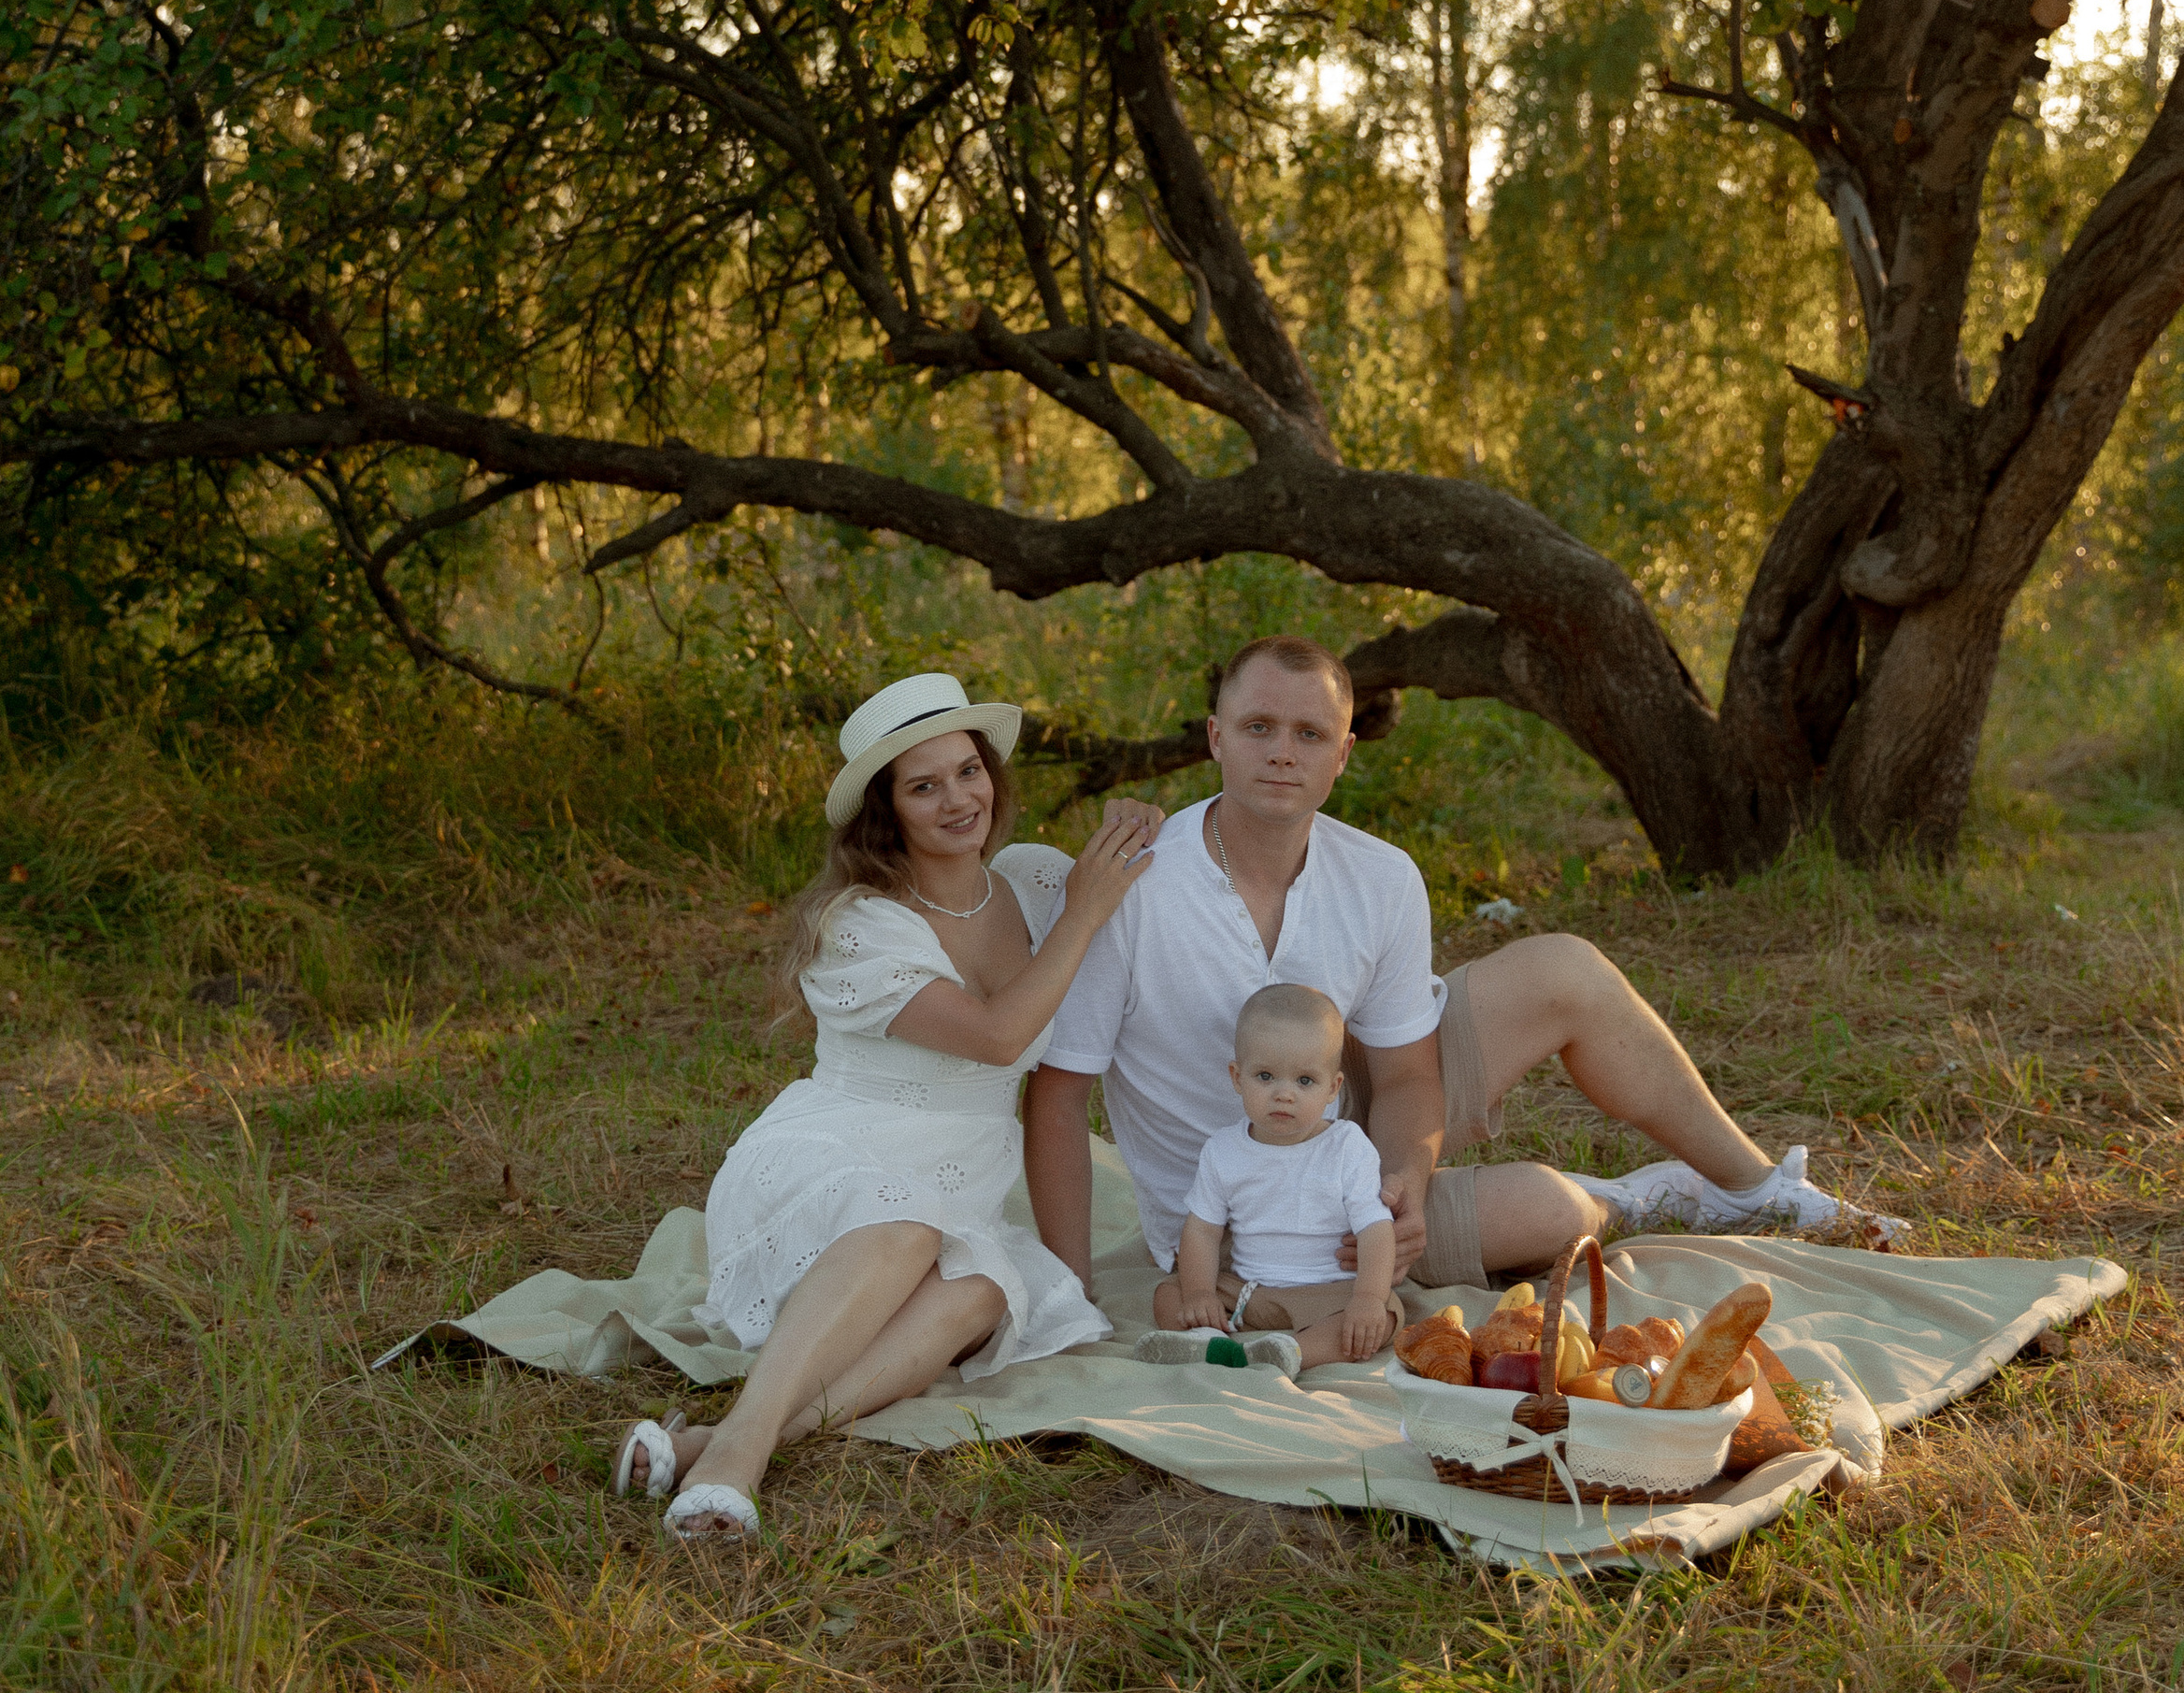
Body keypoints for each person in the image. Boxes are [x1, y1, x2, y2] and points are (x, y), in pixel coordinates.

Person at [1027, 635, 1902, 1317]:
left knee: (1567, 968)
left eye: (1309, 733)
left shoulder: (1380, 875)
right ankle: (1633, 1198)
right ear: (1216, 738)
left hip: (1349, 1141)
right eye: (1258, 727)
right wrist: (1069, 1297)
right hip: (1249, 1225)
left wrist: (1403, 1175)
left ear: (1344, 755)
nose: (1282, 753)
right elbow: (1060, 1096)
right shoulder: (1134, 881)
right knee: (1554, 1217)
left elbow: (1407, 1077)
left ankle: (1760, 1192)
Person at [612, 672, 1162, 1542]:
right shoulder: (860, 924)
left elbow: (1149, 880)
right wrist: (1085, 916)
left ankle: (725, 1437)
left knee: (988, 1287)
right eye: (924, 785)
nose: (958, 800)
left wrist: (1133, 822)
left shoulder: (1034, 883)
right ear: (887, 811)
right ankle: (736, 1466)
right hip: (829, 1160)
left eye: (968, 771)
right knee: (906, 1223)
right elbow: (994, 1035)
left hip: (956, 1181)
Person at [1132, 983, 1401, 1377]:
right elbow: (1203, 1232)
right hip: (1246, 1292)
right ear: (1237, 1078)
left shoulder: (1346, 1146)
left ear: (1333, 1087)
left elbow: (1376, 1230)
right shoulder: (1223, 1151)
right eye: (1265, 1076)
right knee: (1169, 1294)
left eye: (1304, 1081)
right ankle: (1206, 1343)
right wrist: (1201, 1292)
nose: (1283, 1095)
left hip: (1327, 1292)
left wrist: (1368, 1297)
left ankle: (1290, 1352)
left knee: (1386, 1311)